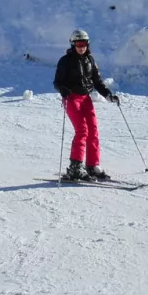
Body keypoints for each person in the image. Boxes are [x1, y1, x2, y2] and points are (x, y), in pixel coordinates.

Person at [53, 29, 118, 182]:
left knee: (93, 130)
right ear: (73, 44)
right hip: (72, 98)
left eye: (83, 44)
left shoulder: (90, 60)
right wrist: (63, 90)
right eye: (78, 44)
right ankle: (75, 167)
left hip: (85, 98)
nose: (81, 47)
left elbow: (97, 82)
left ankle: (92, 165)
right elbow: (57, 82)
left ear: (87, 44)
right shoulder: (65, 61)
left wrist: (108, 94)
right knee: (82, 130)